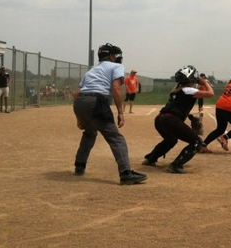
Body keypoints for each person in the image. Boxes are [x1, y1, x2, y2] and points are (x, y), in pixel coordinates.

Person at [72, 43, 147, 185]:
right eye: (116, 56)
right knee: (116, 138)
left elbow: (76, 94)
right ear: (112, 56)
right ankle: (126, 173)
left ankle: (79, 166)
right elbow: (116, 88)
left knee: (89, 133)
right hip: (97, 102)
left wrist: (79, 118)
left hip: (80, 102)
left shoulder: (91, 71)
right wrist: (120, 113)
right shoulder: (116, 66)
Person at [142, 65, 214, 174]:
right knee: (197, 142)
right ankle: (176, 165)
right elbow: (210, 94)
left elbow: (178, 107)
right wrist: (204, 83)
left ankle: (150, 159)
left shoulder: (178, 89)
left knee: (171, 140)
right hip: (170, 120)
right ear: (190, 78)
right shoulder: (188, 90)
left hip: (160, 119)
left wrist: (190, 116)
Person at [200, 66, 231, 153]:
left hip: (220, 106)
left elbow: (229, 100)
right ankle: (225, 137)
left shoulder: (230, 84)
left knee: (220, 129)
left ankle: (203, 145)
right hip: (229, 108)